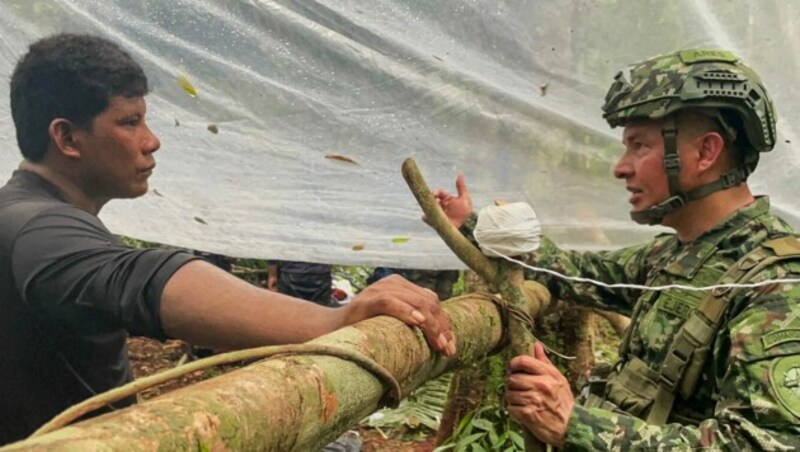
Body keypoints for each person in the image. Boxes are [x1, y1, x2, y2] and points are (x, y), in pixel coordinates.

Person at [0, 33, 456, 446]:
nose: (152, 140)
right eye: (129, 122)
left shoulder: (22, 215)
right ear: (67, 137)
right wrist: (331, 323)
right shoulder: (35, 227)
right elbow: (138, 277)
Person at [434, 49, 800, 449]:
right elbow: (570, 271)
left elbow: (764, 444)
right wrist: (469, 224)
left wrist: (575, 424)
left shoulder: (777, 285)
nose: (620, 167)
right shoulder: (676, 255)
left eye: (639, 146)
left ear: (705, 152)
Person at [268, 260, 334, 307]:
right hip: (321, 274)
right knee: (321, 312)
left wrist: (272, 275)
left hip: (291, 274)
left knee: (290, 312)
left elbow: (276, 248)